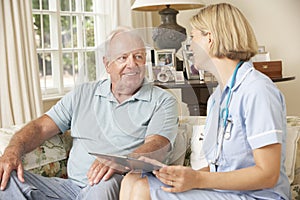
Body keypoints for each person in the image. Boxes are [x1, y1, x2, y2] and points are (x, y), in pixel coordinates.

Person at [120, 3, 291, 200]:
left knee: (142, 189)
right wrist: (179, 176)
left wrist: (198, 179)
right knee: (132, 180)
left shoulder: (257, 90)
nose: (190, 45)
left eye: (193, 37)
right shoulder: (218, 97)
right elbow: (221, 167)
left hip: (258, 196)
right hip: (226, 192)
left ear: (210, 38)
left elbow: (267, 174)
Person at [0, 27, 179, 199]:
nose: (132, 64)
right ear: (107, 64)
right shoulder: (82, 94)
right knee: (5, 177)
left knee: (105, 181)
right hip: (68, 188)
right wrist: (12, 151)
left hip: (114, 184)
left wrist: (120, 161)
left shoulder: (163, 101)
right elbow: (40, 127)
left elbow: (158, 146)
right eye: (123, 57)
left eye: (138, 57)